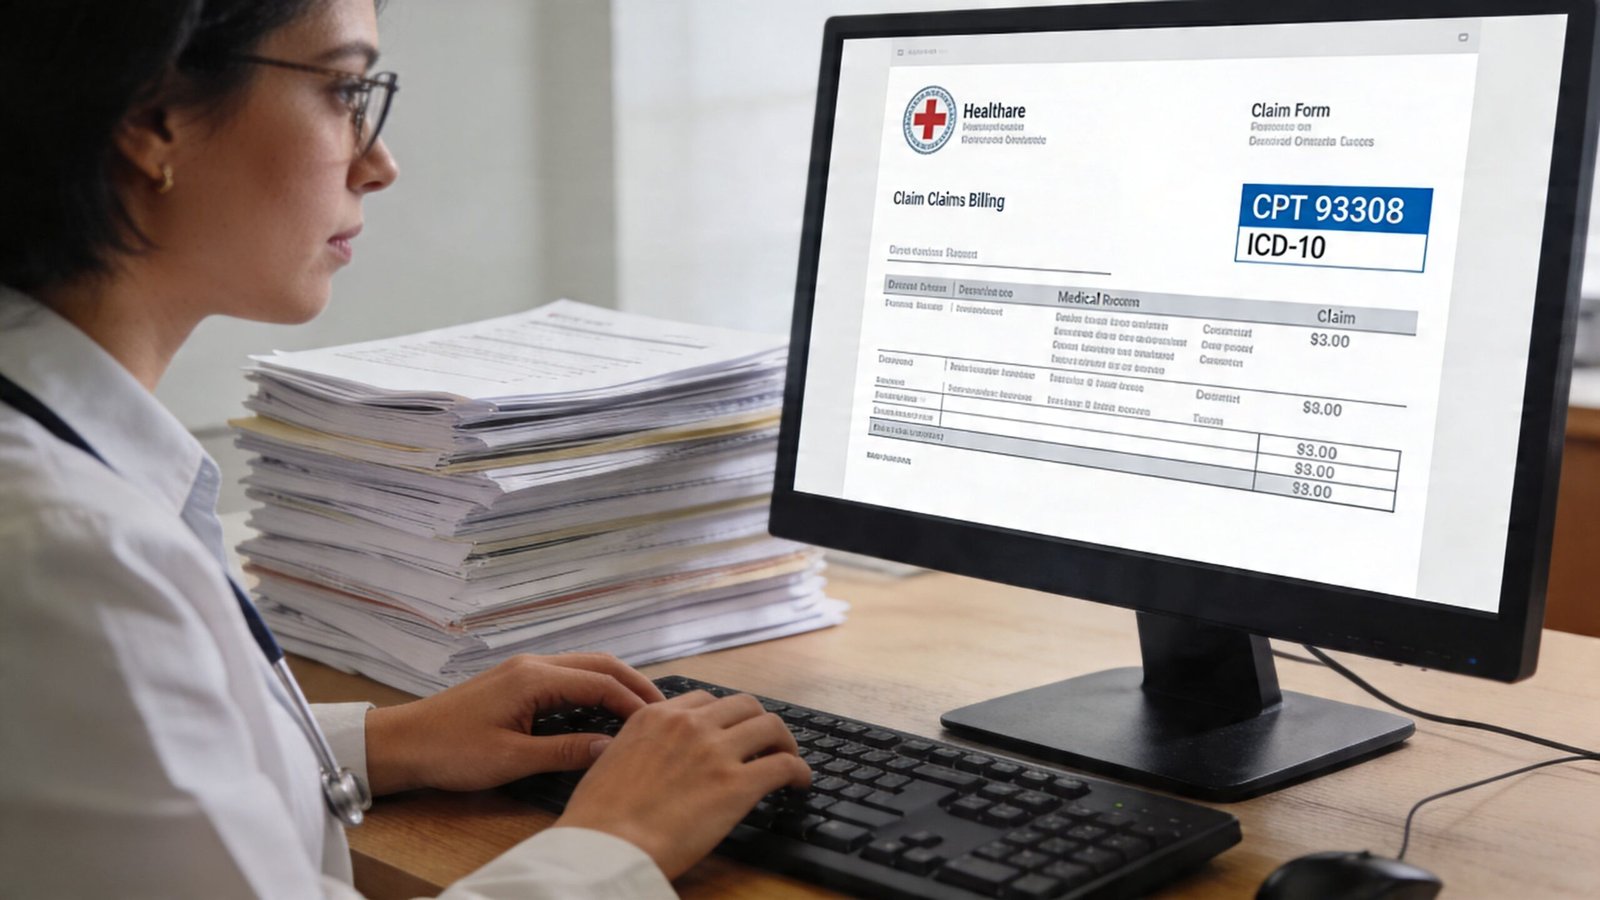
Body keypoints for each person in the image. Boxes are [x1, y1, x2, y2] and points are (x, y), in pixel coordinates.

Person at [0, 1, 811, 896]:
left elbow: (121, 787)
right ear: (154, 123)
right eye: (346, 89)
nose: (379, 164)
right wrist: (618, 840)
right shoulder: (63, 556)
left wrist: (388, 740)